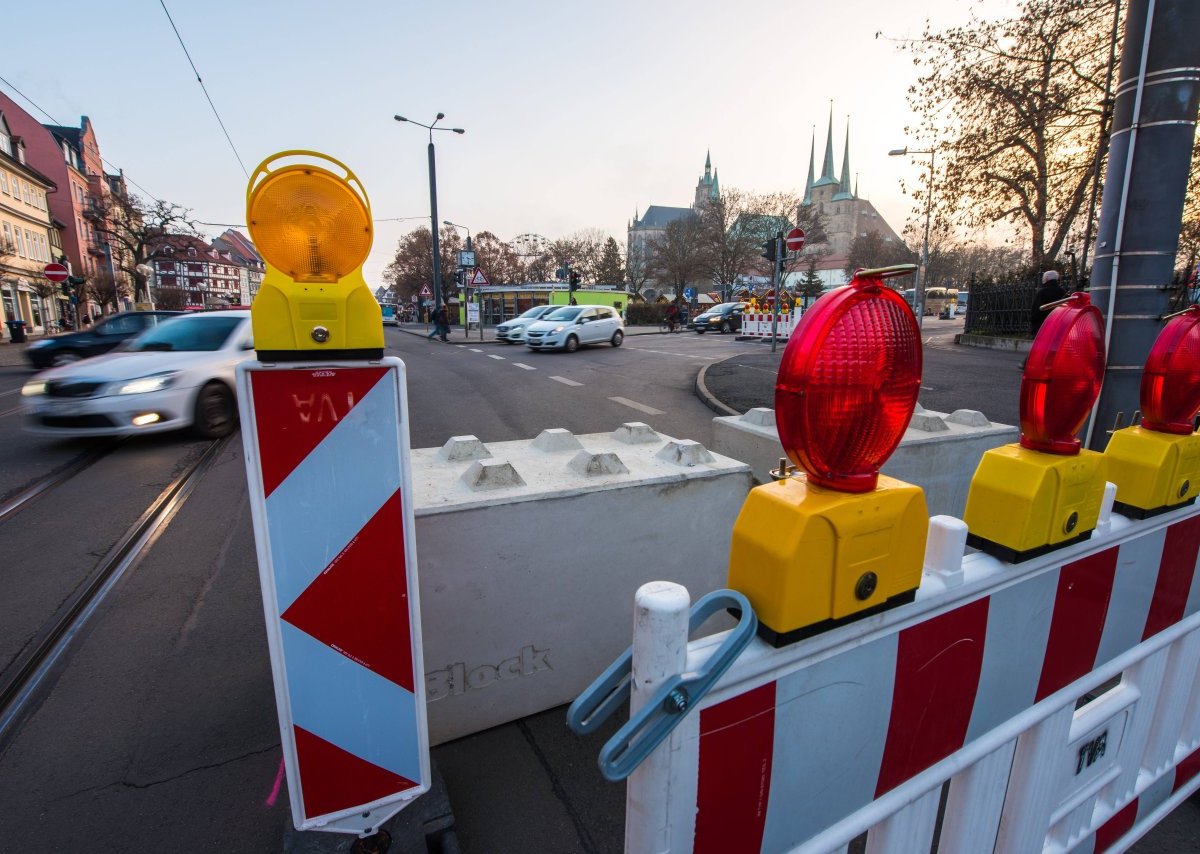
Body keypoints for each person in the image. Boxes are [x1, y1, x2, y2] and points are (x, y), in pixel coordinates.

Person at [1030, 270, 1066, 338]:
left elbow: (1036, 311)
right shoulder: (1062, 291)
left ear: (1046, 279)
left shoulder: (1042, 292)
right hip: (1058, 325)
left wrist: (1033, 322)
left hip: (1043, 325)